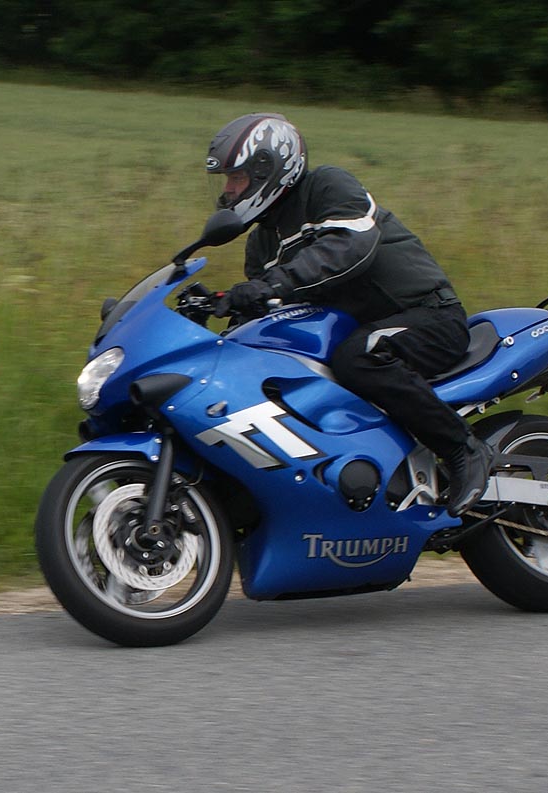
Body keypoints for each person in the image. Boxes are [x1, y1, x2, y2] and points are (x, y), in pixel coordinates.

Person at [206, 113, 493, 517]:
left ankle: (464, 449)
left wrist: (273, 285)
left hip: (426, 316)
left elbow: (347, 246)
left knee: (358, 357)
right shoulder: (261, 243)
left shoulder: (327, 187)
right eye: (227, 181)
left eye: (236, 178)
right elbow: (272, 316)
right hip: (362, 330)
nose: (229, 190)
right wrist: (222, 307)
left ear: (268, 170)